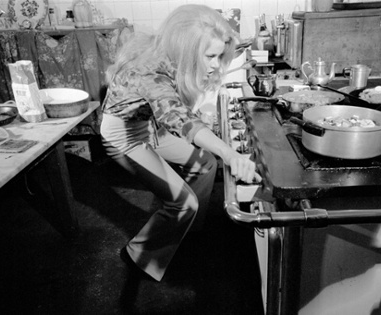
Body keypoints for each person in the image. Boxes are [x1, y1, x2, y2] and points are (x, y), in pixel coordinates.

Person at [100, 4, 261, 282]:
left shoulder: (171, 49)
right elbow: (181, 121)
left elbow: (175, 112)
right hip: (123, 135)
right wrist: (230, 154)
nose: (214, 63)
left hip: (149, 124)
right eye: (210, 56)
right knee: (183, 202)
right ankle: (138, 256)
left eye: (219, 55)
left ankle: (187, 230)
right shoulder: (148, 73)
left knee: (205, 163)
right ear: (188, 48)